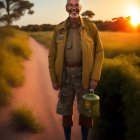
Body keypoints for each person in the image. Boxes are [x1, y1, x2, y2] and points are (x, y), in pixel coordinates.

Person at [48, 0, 104, 140]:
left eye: (76, 5)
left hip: (84, 76)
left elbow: (99, 52)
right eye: (71, 5)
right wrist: (54, 79)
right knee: (65, 111)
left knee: (86, 111)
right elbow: (52, 56)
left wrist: (94, 78)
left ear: (80, 7)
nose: (74, 8)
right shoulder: (59, 29)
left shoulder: (91, 28)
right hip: (65, 76)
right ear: (66, 8)